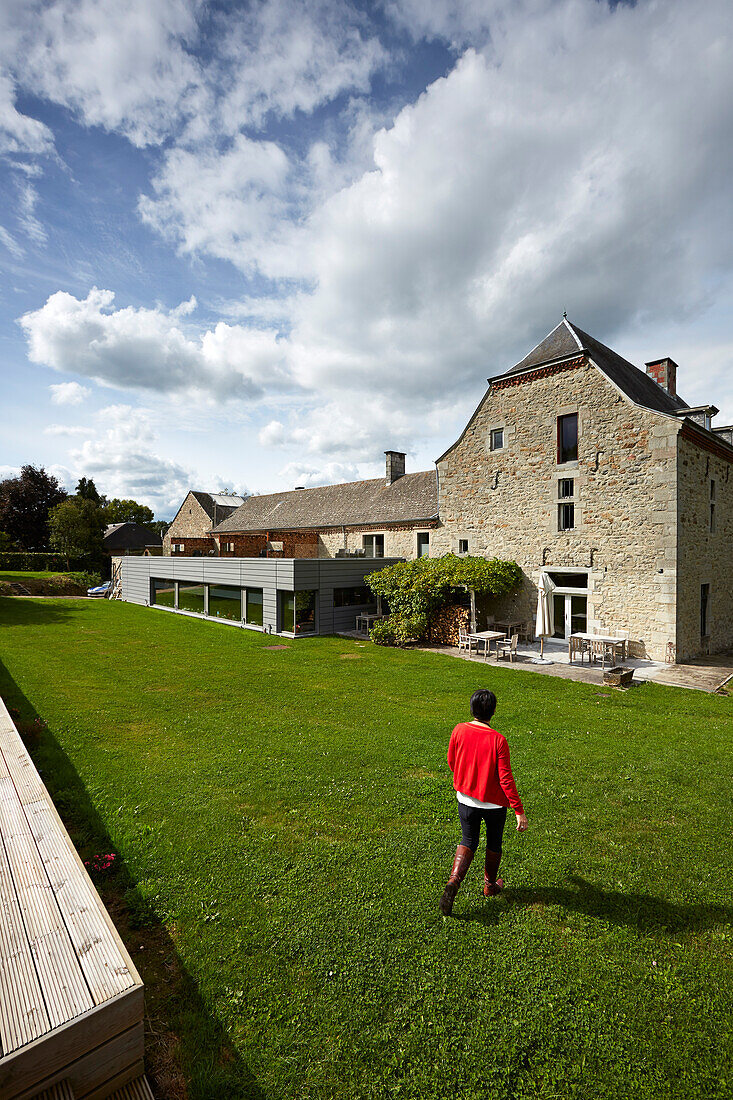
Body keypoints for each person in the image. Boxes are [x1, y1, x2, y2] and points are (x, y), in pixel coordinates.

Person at [439, 688, 527, 915]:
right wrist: (519, 810)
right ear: (494, 711)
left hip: (465, 799)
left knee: (468, 840)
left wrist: (464, 779)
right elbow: (505, 778)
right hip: (494, 806)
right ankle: (489, 886)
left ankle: (453, 882)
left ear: (472, 708)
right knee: (494, 843)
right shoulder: (499, 740)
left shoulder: (459, 730)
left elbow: (452, 760)